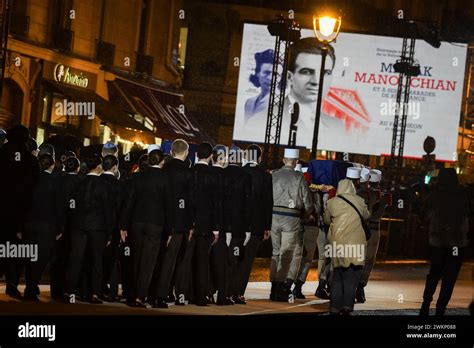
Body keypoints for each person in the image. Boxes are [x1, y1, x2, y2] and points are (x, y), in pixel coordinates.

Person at [63, 154, 113, 304]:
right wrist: (109, 233)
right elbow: (108, 211)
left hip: (78, 226)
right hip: (98, 227)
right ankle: (94, 294)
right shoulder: (105, 186)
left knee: (75, 259)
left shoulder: (79, 183)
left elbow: (72, 206)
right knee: (96, 260)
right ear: (99, 167)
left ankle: (69, 291)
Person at [119, 150, 167, 307]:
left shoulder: (137, 177)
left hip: (137, 223)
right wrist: (170, 230)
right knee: (148, 261)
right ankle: (140, 296)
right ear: (161, 161)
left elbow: (129, 203)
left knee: (136, 259)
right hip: (155, 224)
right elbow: (170, 206)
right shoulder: (166, 179)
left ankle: (133, 294)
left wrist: (123, 226)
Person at [420, 168, 470, 316]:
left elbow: (424, 212)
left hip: (438, 241)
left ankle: (426, 303)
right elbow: (467, 214)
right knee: (450, 278)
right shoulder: (462, 195)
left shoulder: (436, 195)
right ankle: (441, 308)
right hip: (457, 242)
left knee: (434, 273)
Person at [279, 38, 344, 148]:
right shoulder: (265, 117)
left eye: (325, 73)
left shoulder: (337, 126)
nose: (316, 81)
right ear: (289, 77)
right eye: (306, 72)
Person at [0, 125, 39, 299]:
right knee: (15, 251)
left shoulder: (2, 153)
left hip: (3, 210)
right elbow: (33, 189)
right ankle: (12, 284)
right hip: (20, 214)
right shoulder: (30, 161)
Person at [154, 139, 194, 309]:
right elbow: (190, 201)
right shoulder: (188, 172)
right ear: (185, 153)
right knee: (178, 261)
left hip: (161, 220)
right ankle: (173, 295)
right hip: (180, 224)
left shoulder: (164, 169)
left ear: (171, 152)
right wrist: (191, 224)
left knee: (162, 259)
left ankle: (159, 294)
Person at [270, 148, 312, 302]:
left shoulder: (274, 175)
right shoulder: (299, 178)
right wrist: (306, 214)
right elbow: (307, 202)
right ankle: (280, 288)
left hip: (274, 216)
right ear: (295, 162)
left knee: (275, 252)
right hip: (292, 217)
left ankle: (273, 286)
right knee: (286, 254)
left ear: (283, 160)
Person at [324, 179, 369, 315]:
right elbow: (366, 216)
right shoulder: (359, 201)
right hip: (356, 245)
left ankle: (334, 307)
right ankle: (347, 306)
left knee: (338, 274)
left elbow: (326, 220)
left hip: (337, 244)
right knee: (352, 276)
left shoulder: (332, 203)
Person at [23, 153, 62, 301]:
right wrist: (60, 227)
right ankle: (31, 289)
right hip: (47, 225)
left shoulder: (30, 181)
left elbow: (23, 204)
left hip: (30, 223)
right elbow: (58, 206)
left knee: (30, 257)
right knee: (41, 258)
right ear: (52, 165)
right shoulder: (55, 182)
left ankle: (30, 287)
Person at [191, 143, 220, 306]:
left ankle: (184, 293)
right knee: (202, 261)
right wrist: (215, 229)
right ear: (210, 156)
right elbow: (216, 204)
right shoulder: (213, 175)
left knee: (186, 260)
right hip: (207, 224)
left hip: (189, 223)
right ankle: (201, 296)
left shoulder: (191, 171)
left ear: (196, 155)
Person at [223, 146, 253, 304]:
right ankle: (231, 293)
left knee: (223, 261)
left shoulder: (222, 173)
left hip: (222, 226)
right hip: (238, 228)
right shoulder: (245, 177)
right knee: (234, 260)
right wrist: (247, 229)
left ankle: (222, 293)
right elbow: (247, 205)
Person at [50, 156, 82, 300]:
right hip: (74, 225)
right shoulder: (80, 183)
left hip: (59, 223)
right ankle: (66, 290)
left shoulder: (59, 181)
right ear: (77, 168)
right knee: (71, 259)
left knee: (57, 258)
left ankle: (55, 290)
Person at [356, 169, 387, 303]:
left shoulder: (376, 195)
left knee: (365, 259)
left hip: (369, 228)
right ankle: (359, 286)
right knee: (366, 259)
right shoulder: (365, 194)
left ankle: (359, 286)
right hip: (369, 229)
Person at [209, 144, 233, 305]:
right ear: (223, 158)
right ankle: (221, 295)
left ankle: (207, 292)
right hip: (221, 226)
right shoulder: (226, 177)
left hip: (204, 225)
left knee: (206, 262)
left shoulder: (205, 173)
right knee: (221, 262)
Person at [100, 155, 125, 302]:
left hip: (96, 227)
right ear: (115, 167)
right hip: (114, 228)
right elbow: (122, 209)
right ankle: (112, 292)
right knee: (113, 260)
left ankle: (93, 289)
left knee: (94, 259)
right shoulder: (119, 186)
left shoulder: (96, 181)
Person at [244, 49, 274, 122]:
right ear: (257, 73)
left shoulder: (279, 105)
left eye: (275, 74)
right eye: (266, 73)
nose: (270, 78)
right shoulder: (249, 103)